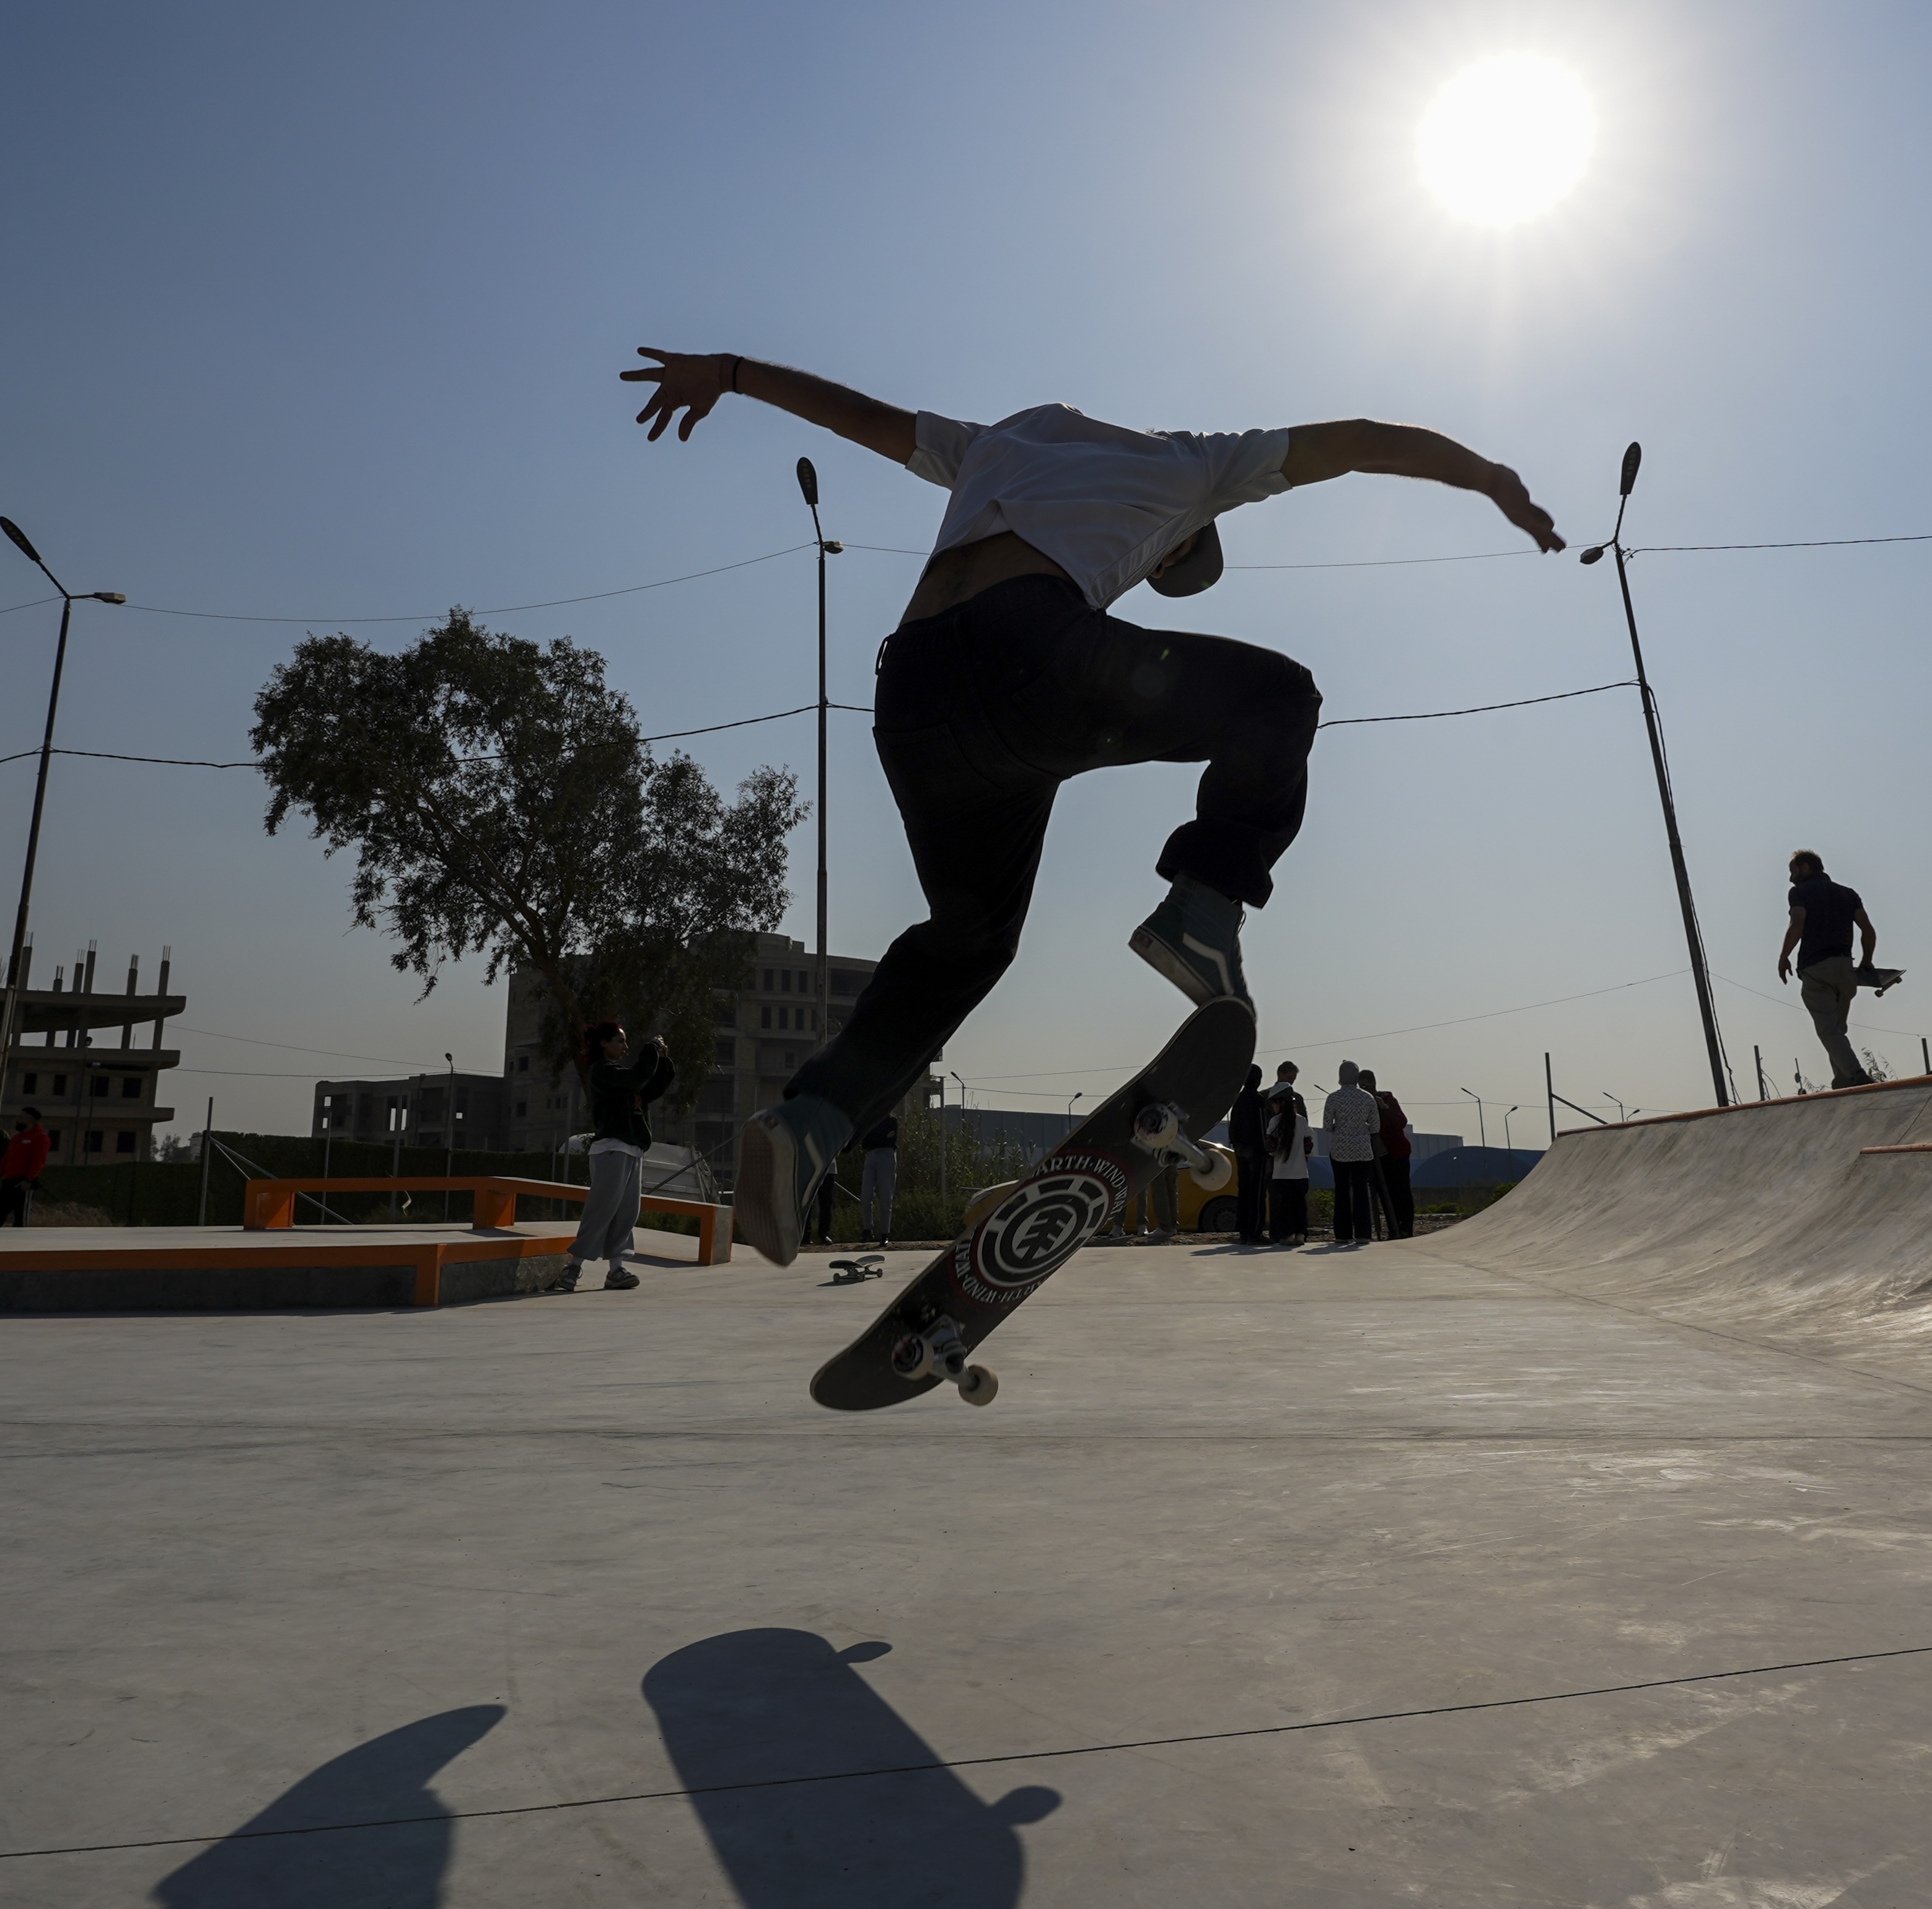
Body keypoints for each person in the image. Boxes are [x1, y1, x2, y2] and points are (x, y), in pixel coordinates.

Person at [622, 346, 1561, 1262]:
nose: (1154, 567)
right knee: (1277, 697)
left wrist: (730, 372)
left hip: (912, 692)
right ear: (1195, 535)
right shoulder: (1198, 465)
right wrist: (1487, 476)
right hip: (1029, 657)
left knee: (967, 938)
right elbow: (1357, 440)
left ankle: (812, 1121)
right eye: (1166, 565)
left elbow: (858, 416)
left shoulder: (995, 440)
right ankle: (1203, 906)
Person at [570, 1020, 677, 1291]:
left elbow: (651, 1086)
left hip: (632, 1149)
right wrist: (651, 1049)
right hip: (611, 1148)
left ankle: (616, 1271)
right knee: (602, 1209)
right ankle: (573, 1267)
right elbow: (636, 1078)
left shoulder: (622, 1077)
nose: (625, 1047)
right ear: (603, 1044)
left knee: (627, 1213)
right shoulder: (602, 1071)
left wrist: (663, 1060)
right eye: (620, 1041)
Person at [1776, 853, 1879, 1089]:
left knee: (1828, 1031)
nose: (1792, 879)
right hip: (1845, 969)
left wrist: (1784, 957)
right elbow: (1868, 930)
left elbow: (1797, 924)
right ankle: (1843, 1083)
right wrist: (1867, 961)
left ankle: (1856, 1075)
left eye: (1793, 871)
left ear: (1805, 867)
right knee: (1837, 1031)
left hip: (1817, 970)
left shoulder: (1799, 892)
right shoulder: (1848, 894)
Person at [1320, 1061, 1381, 1247]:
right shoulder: (1368, 1098)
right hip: (1363, 1150)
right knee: (1361, 1190)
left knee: (1342, 1191)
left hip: (1340, 1150)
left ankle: (1342, 1234)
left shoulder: (1333, 1098)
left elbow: (1327, 1126)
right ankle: (1363, 1234)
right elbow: (1376, 1127)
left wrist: (1342, 1128)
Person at [1262, 1059, 1313, 1244]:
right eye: (1290, 1077)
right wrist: (1305, 1157)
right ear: (1280, 1074)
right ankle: (1300, 1233)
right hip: (1299, 1169)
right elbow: (1308, 1141)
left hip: (1281, 1169)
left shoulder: (1274, 1119)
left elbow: (1270, 1144)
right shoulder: (1299, 1116)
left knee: (1282, 1203)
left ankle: (1283, 1234)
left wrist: (1271, 1156)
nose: (1292, 1081)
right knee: (1298, 1204)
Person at [0, 1106, 51, 1227]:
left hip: (23, 1183)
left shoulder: (40, 1138)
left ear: (29, 1120)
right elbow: (6, 1160)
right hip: (9, 1182)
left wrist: (29, 1180)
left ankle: (20, 1243)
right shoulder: (16, 1138)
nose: (18, 1120)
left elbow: (38, 1162)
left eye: (21, 1118)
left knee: (21, 1218)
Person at [1227, 1064, 1270, 1247]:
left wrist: (1236, 1144)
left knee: (1243, 1190)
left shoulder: (1239, 1099)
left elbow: (1233, 1125)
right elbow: (1262, 1127)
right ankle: (1255, 1232)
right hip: (1256, 1150)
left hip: (1240, 1149)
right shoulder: (1258, 1100)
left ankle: (1244, 1231)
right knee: (1258, 1192)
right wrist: (1266, 1151)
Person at [1371, 1075, 1416, 1240]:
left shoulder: (1388, 1100)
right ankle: (1393, 1228)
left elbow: (1401, 1121)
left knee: (1402, 1191)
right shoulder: (1362, 1103)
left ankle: (1406, 1228)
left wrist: (1384, 1107)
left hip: (1398, 1153)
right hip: (1379, 1156)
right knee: (1385, 1194)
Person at [856, 1110, 900, 1249]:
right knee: (866, 1194)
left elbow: (891, 1140)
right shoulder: (870, 1120)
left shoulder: (892, 1122)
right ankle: (868, 1229)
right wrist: (881, 1138)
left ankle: (885, 1233)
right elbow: (865, 1142)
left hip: (886, 1157)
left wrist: (874, 1139)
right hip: (871, 1157)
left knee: (885, 1197)